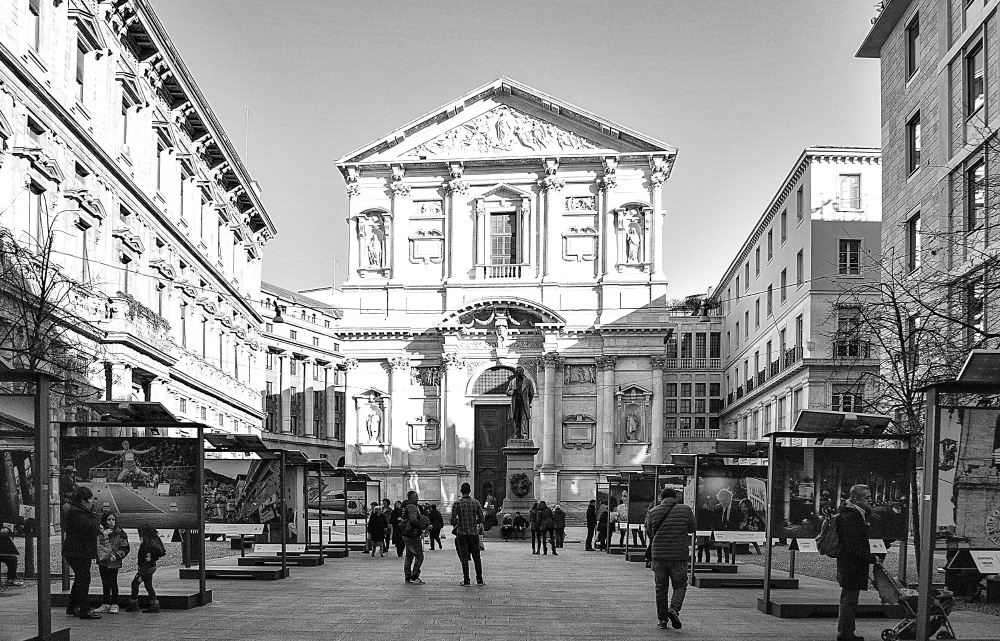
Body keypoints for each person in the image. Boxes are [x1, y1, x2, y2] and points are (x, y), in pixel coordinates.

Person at [645, 488, 696, 630]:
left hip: (659, 556)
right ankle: (673, 609)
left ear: (662, 498)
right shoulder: (685, 510)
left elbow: (649, 532)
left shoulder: (653, 511)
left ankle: (662, 620)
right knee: (680, 585)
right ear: (676, 498)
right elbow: (692, 528)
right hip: (678, 555)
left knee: (661, 588)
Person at [836, 484, 875, 641]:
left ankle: (845, 631)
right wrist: (870, 557)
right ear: (857, 499)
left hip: (849, 563)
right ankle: (845, 633)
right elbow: (855, 545)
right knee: (849, 600)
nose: (870, 500)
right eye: (867, 497)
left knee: (848, 598)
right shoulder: (852, 517)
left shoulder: (852, 513)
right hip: (852, 565)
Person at [62, 486, 102, 619]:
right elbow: (92, 527)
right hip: (78, 551)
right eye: (90, 499)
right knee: (84, 578)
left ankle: (73, 606)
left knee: (81, 578)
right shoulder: (78, 513)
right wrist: (94, 515)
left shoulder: (78, 511)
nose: (92, 502)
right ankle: (84, 609)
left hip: (78, 550)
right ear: (83, 501)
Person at [450, 482, 485, 586]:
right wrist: (474, 521)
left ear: (461, 491)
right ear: (470, 491)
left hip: (461, 533)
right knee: (477, 557)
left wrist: (459, 521)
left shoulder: (457, 503)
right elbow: (482, 519)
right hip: (474, 533)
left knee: (464, 557)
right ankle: (479, 579)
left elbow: (452, 521)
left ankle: (466, 580)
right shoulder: (476, 503)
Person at [95, 512, 130, 613]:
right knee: (105, 583)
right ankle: (106, 603)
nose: (111, 522)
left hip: (114, 561)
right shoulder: (100, 532)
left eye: (113, 520)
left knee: (113, 582)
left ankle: (115, 603)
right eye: (109, 520)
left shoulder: (120, 533)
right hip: (103, 561)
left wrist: (116, 556)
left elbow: (125, 548)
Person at [127, 525, 165, 613]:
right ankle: (154, 604)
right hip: (151, 567)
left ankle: (134, 603)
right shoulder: (154, 542)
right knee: (148, 586)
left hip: (145, 568)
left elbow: (145, 560)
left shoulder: (146, 544)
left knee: (135, 584)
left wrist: (141, 573)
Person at [401, 490, 426, 584]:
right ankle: (414, 575)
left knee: (409, 556)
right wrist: (421, 526)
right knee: (419, 556)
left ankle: (407, 575)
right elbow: (413, 520)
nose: (418, 499)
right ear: (412, 498)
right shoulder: (411, 506)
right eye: (416, 497)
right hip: (413, 534)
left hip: (407, 534)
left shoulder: (406, 506)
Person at [505, 367, 534, 439]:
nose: (520, 373)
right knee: (516, 418)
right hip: (515, 403)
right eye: (518, 372)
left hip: (523, 403)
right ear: (516, 373)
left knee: (524, 418)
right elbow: (507, 392)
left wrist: (528, 402)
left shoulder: (528, 382)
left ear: (523, 372)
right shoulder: (512, 382)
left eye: (521, 372)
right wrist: (512, 392)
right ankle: (517, 434)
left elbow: (531, 393)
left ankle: (524, 434)